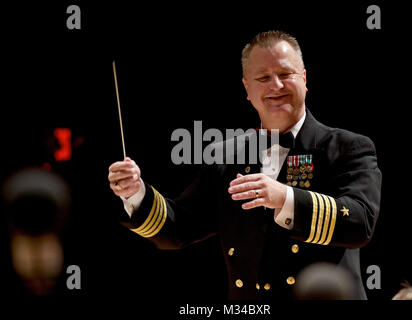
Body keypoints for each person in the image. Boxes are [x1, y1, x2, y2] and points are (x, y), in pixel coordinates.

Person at [108, 30, 382, 300]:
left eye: (285, 74)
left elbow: (361, 223)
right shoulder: (226, 156)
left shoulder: (347, 147)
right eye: (263, 78)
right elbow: (178, 230)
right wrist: (135, 194)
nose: (276, 85)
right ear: (247, 89)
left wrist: (283, 198)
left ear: (305, 79)